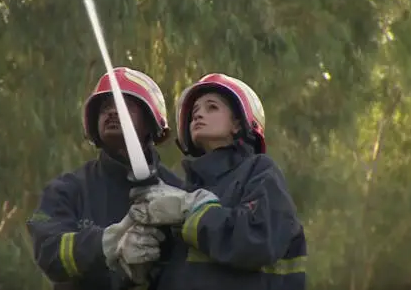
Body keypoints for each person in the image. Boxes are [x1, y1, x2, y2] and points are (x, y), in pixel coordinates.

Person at [128, 73, 307, 290]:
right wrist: (141, 263)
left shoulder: (259, 172)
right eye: (194, 112)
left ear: (238, 124)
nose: (198, 115)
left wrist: (192, 209)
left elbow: (258, 240)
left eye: (211, 107)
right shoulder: (186, 191)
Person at [26, 67, 183, 290]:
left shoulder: (177, 192)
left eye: (124, 106)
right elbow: (48, 251)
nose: (111, 112)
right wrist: (107, 243)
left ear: (151, 123)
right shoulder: (68, 189)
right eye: (105, 108)